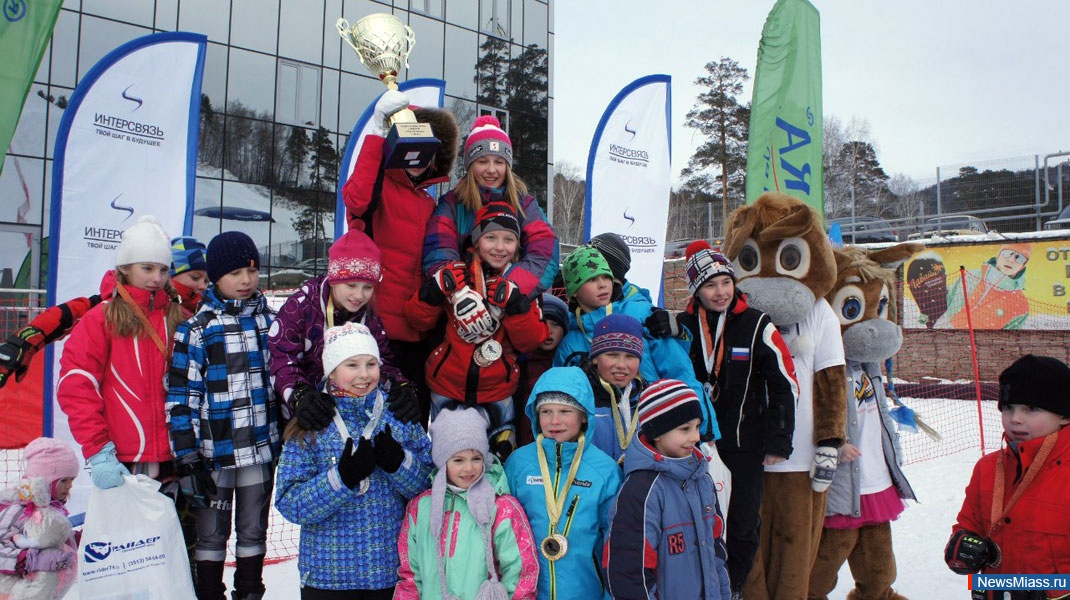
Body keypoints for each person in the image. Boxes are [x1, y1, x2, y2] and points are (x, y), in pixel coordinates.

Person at [275, 322, 433, 600]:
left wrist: (399, 464)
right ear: (332, 371)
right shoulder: (312, 422)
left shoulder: (397, 414)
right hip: (327, 576)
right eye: (352, 365)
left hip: (388, 570)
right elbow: (290, 503)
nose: (364, 375)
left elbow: (430, 489)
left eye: (371, 364)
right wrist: (341, 478)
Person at [676, 241, 798, 597]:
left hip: (745, 445)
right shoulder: (682, 326)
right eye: (710, 285)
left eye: (725, 282)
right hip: (694, 446)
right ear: (696, 290)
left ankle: (731, 589)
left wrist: (779, 439)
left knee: (743, 525)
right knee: (700, 524)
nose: (720, 292)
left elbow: (785, 383)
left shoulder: (757, 322)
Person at [167, 231, 280, 600]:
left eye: (251, 270)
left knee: (253, 531)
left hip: (260, 451)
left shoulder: (271, 323)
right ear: (215, 276)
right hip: (214, 455)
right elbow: (182, 394)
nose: (245, 280)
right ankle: (209, 593)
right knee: (211, 534)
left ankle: (249, 590)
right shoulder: (198, 329)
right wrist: (186, 453)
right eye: (234, 273)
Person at [341, 90, 460, 420]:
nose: (420, 161)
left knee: (412, 422)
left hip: (418, 331)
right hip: (376, 330)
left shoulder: (431, 204)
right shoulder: (379, 186)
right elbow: (357, 200)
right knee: (371, 422)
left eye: (430, 153)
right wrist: (378, 134)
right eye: (415, 149)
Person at [407, 201, 549, 460]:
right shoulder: (456, 276)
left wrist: (517, 308)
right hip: (447, 387)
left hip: (498, 391)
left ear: (517, 245)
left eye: (508, 239)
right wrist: (431, 293)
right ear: (476, 239)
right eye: (491, 237)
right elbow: (418, 322)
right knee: (448, 460)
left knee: (500, 459)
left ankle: (497, 502)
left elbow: (531, 341)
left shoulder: (521, 284)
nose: (499, 247)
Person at [58, 216, 185, 487]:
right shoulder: (101, 319)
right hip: (123, 459)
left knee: (181, 531)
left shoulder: (179, 317)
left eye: (163, 270)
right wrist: (98, 449)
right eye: (147, 268)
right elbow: (77, 384)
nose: (157, 278)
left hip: (178, 455)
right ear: (125, 268)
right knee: (130, 531)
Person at [554, 245, 721, 443]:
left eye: (606, 276)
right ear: (574, 292)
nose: (603, 285)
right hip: (599, 438)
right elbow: (563, 399)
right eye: (591, 279)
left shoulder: (640, 315)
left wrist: (704, 429)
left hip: (657, 427)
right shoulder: (570, 342)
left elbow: (679, 372)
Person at [0, 236, 207, 389]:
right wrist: (22, 342)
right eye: (195, 277)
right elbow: (71, 312)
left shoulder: (205, 310)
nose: (202, 286)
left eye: (206, 280)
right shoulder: (115, 303)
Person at [944, 355, 1070, 598]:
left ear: (1064, 415)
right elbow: (969, 525)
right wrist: (961, 545)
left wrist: (1054, 592)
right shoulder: (987, 468)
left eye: (1032, 408)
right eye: (1008, 407)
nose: (1015, 418)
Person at [269, 228, 420, 431]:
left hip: (353, 421)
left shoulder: (370, 316)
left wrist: (400, 386)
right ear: (334, 279)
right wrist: (300, 395)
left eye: (368, 287)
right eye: (351, 285)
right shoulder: (301, 307)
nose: (359, 295)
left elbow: (381, 361)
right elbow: (281, 358)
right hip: (308, 421)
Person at [604, 379, 731, 599]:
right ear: (657, 433)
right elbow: (627, 570)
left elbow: (716, 548)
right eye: (684, 429)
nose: (695, 437)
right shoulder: (641, 491)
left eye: (697, 426)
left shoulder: (702, 479)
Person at [396, 407, 539, 599]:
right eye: (458, 460)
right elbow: (411, 574)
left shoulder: (502, 508)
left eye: (476, 458)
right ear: (442, 461)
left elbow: (521, 572)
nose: (469, 468)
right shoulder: (420, 508)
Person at [504, 366, 622, 600]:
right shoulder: (519, 463)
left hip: (586, 591)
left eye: (565, 411)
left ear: (583, 416)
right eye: (546, 411)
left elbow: (614, 542)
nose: (554, 420)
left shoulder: (604, 470)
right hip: (528, 593)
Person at [423, 115, 559, 313]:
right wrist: (460, 294)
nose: (491, 170)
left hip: (513, 309)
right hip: (460, 309)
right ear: (470, 165)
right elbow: (438, 250)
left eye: (499, 162)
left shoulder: (524, 203)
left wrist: (510, 289)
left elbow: (545, 251)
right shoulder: (453, 204)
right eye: (483, 161)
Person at [0, 437, 81, 600]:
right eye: (64, 480)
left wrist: (78, 539)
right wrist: (28, 560)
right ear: (44, 481)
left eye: (72, 479)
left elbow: (46, 539)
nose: (69, 485)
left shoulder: (52, 508)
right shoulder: (17, 508)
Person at [584, 313, 647, 464]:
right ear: (595, 358)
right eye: (612, 355)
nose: (621, 364)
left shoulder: (648, 397)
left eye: (630, 357)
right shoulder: (581, 397)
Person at [515, 293, 569, 447]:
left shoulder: (567, 363)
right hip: (523, 441)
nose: (549, 330)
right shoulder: (519, 361)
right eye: (542, 322)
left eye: (556, 324)